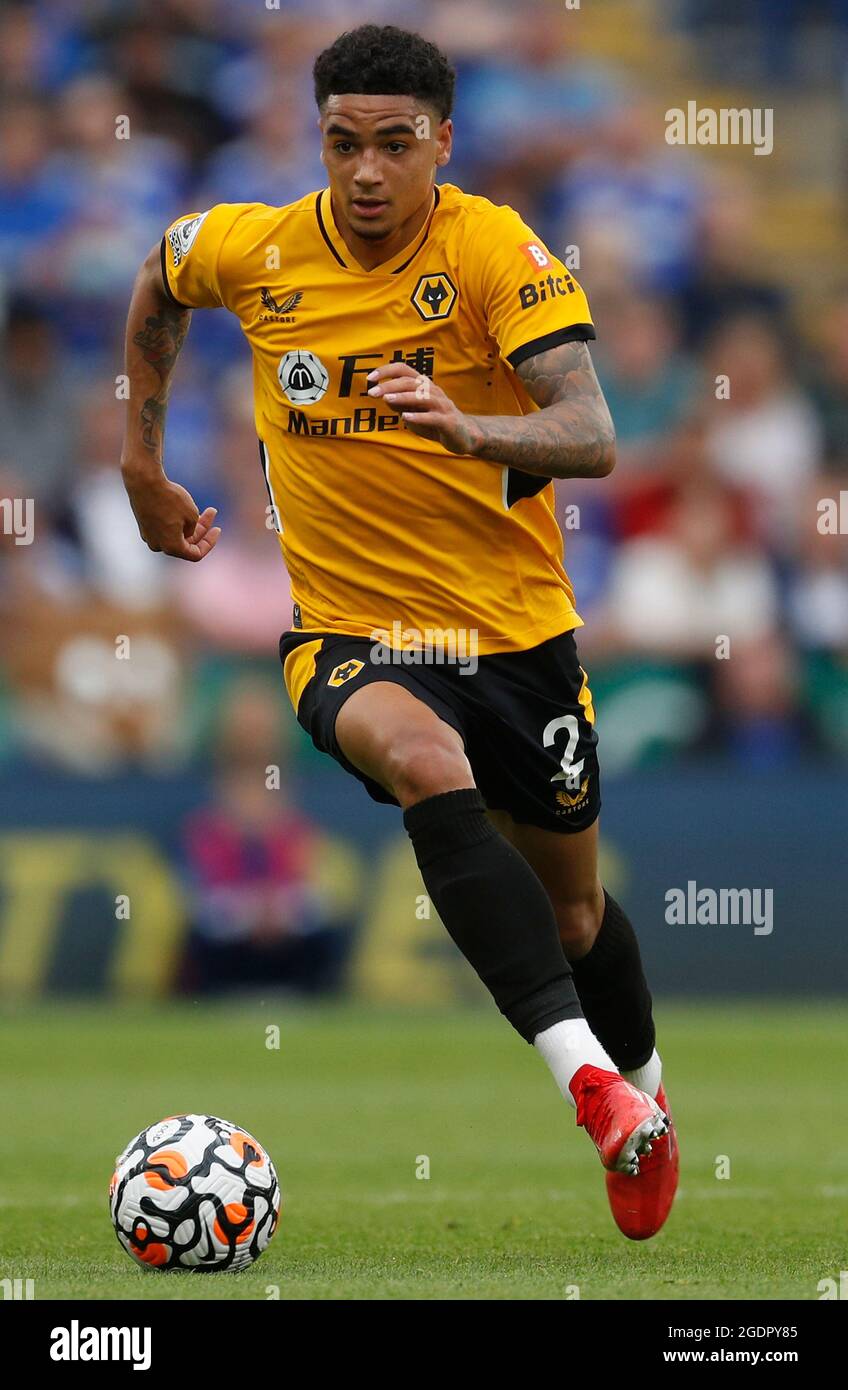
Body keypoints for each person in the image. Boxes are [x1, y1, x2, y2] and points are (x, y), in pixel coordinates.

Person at [119, 23, 677, 1240]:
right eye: (340, 143)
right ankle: (585, 1088)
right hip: (350, 634)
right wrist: (139, 461)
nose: (364, 171)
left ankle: (642, 1095)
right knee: (426, 761)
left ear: (441, 142)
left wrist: (473, 431)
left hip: (515, 636)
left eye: (392, 144)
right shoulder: (255, 248)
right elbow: (161, 280)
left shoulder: (491, 249)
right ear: (315, 137)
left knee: (574, 915)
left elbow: (590, 428)